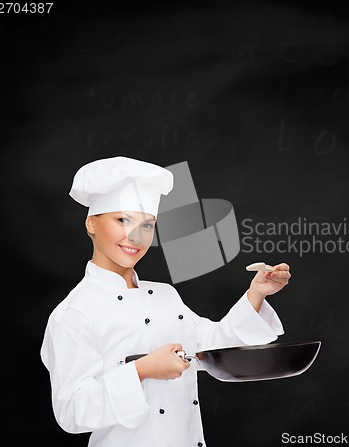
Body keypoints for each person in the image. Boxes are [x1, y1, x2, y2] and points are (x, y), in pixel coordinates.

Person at [40, 156, 291, 447]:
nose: (135, 236)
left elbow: (213, 346)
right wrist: (141, 370)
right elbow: (72, 412)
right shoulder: (75, 313)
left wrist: (256, 294)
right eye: (123, 220)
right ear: (92, 223)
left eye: (147, 225)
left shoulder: (165, 295)